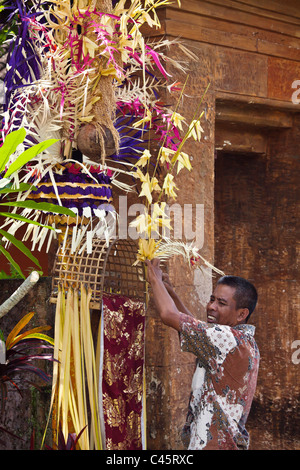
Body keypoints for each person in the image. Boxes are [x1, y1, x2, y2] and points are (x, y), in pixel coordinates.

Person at [146, 258, 260, 450]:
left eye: (221, 303)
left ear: (241, 314)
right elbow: (195, 330)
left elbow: (168, 315)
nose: (211, 307)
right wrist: (172, 294)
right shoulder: (241, 340)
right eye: (212, 299)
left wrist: (154, 279)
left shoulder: (230, 339)